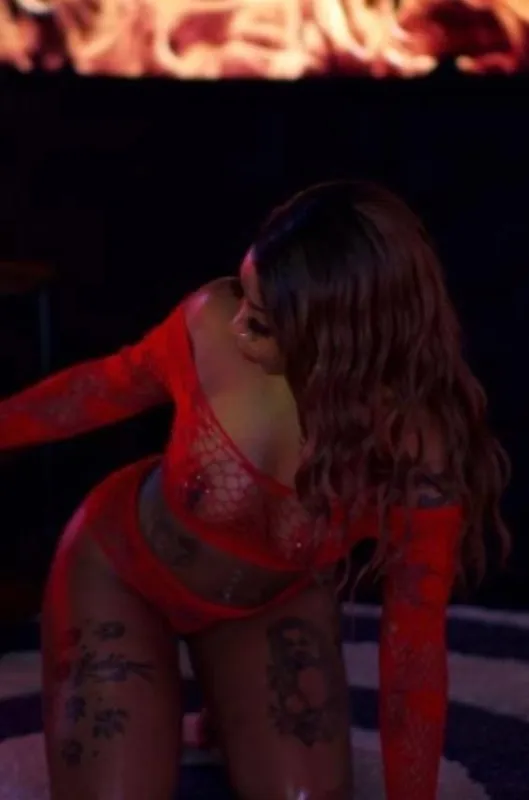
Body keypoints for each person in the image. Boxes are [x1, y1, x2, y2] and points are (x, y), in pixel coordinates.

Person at [0, 180, 510, 800]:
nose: (238, 325)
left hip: (267, 607)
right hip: (122, 576)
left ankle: (226, 711)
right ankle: (200, 710)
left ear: (339, 340)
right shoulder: (211, 324)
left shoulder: (416, 452)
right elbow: (100, 389)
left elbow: (413, 652)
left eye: (263, 322)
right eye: (245, 295)